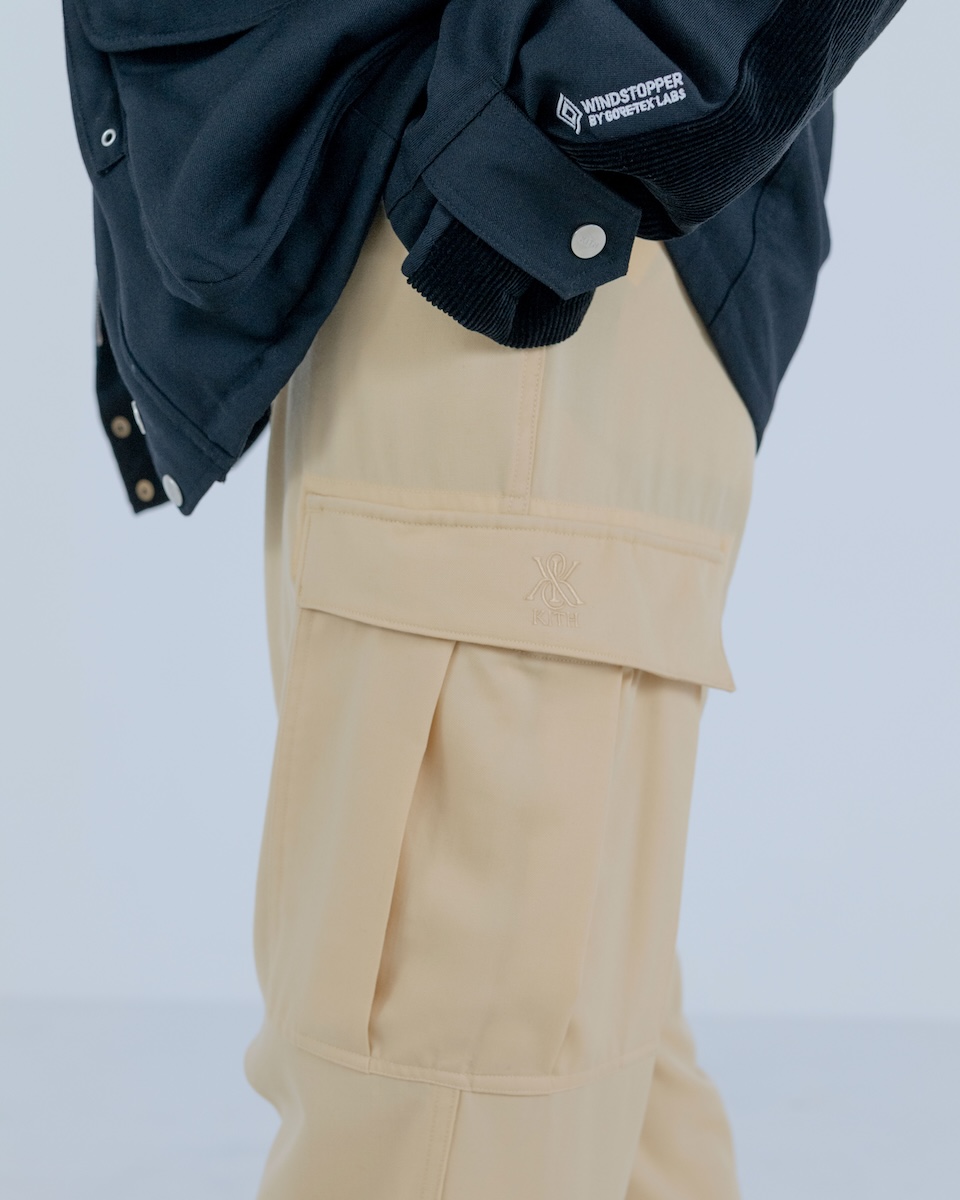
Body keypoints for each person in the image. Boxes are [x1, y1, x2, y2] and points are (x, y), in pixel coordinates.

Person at [62, 1, 908, 1195]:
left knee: (432, 1097)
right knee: (569, 1078)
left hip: (505, 265)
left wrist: (551, 140)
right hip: (436, 237)